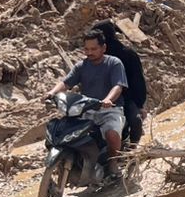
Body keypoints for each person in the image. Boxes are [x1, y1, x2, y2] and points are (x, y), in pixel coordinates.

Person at [47, 30, 127, 179]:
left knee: (111, 133)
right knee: (62, 133)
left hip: (110, 110)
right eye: (86, 49)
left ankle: (113, 163)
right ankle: (59, 170)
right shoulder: (81, 66)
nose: (89, 52)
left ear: (103, 48)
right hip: (86, 110)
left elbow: (118, 86)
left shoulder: (114, 63)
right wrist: (52, 93)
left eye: (93, 49)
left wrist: (108, 100)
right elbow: (66, 83)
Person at [90, 20, 147, 147]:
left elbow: (137, 81)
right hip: (101, 100)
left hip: (125, 99)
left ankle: (132, 150)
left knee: (135, 121)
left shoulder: (127, 55)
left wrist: (139, 105)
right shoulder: (96, 58)